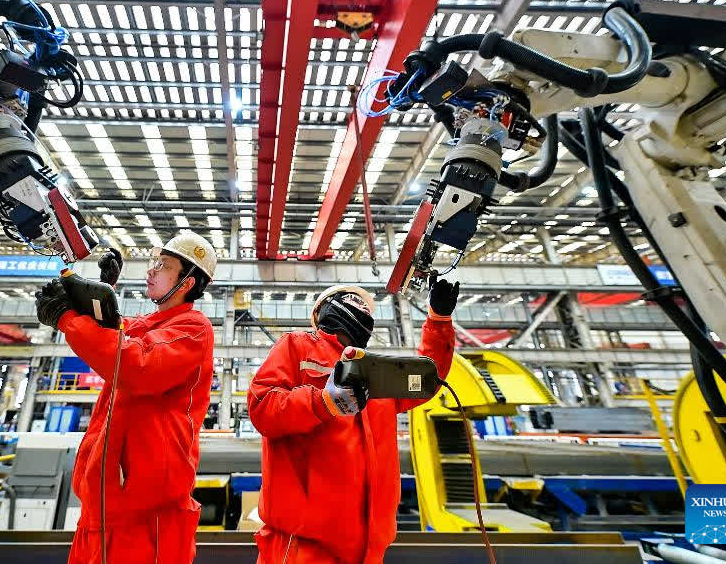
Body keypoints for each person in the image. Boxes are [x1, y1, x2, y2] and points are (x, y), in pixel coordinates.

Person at [35, 232, 217, 564]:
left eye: (163, 265)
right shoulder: (145, 325)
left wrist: (67, 319)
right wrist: (102, 292)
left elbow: (137, 364)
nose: (151, 270)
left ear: (187, 282)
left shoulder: (193, 329)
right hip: (103, 505)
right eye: (153, 262)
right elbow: (114, 334)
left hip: (144, 515)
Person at [247, 280, 460, 564]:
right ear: (323, 311)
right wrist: (323, 402)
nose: (361, 308)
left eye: (366, 308)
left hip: (368, 547)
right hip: (304, 546)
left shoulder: (378, 373)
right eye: (352, 301)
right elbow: (263, 407)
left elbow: (425, 379)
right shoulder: (297, 347)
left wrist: (439, 320)